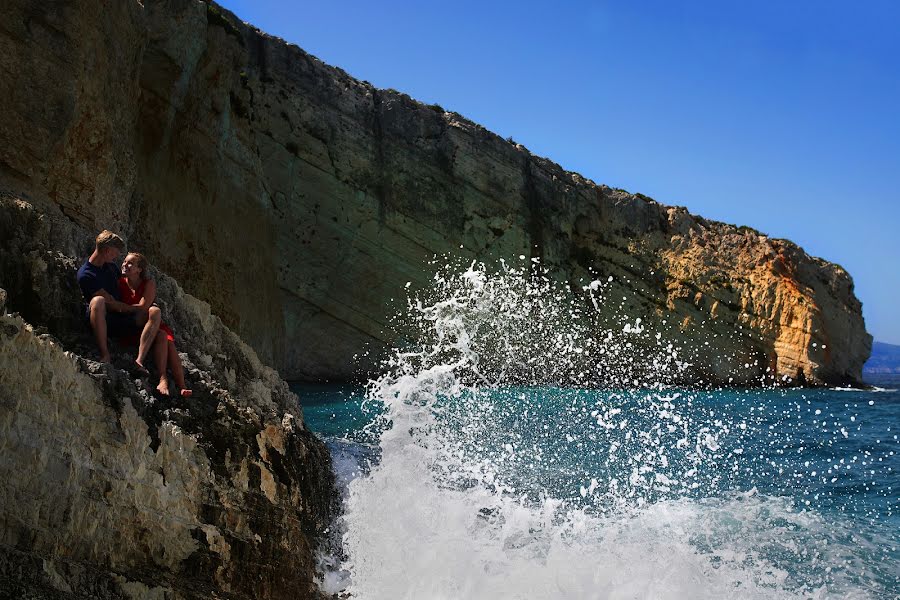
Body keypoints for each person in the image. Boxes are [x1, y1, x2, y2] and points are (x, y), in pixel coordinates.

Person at [76, 230, 162, 370]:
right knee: (98, 301)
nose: (117, 256)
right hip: (103, 319)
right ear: (106, 251)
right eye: (115, 252)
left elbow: (125, 288)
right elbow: (111, 304)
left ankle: (139, 360)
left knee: (155, 311)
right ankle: (105, 354)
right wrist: (136, 308)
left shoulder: (111, 267)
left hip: (122, 316)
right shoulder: (86, 274)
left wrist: (146, 301)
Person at [119, 252, 191, 397]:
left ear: (140, 269)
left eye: (130, 263)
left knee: (165, 337)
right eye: (125, 261)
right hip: (132, 324)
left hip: (150, 324)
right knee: (158, 320)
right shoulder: (119, 282)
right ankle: (162, 377)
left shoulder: (148, 284)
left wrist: (122, 307)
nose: (125, 265)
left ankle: (178, 384)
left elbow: (143, 307)